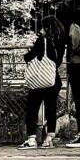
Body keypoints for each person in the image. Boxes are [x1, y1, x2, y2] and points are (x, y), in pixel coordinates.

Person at [18, 15, 66, 149]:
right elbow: (58, 61)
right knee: (51, 108)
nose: (41, 29)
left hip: (39, 80)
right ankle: (49, 139)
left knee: (32, 107)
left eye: (43, 26)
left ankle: (32, 139)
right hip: (53, 79)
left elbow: (30, 57)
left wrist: (26, 54)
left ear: (46, 27)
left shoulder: (42, 41)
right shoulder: (60, 41)